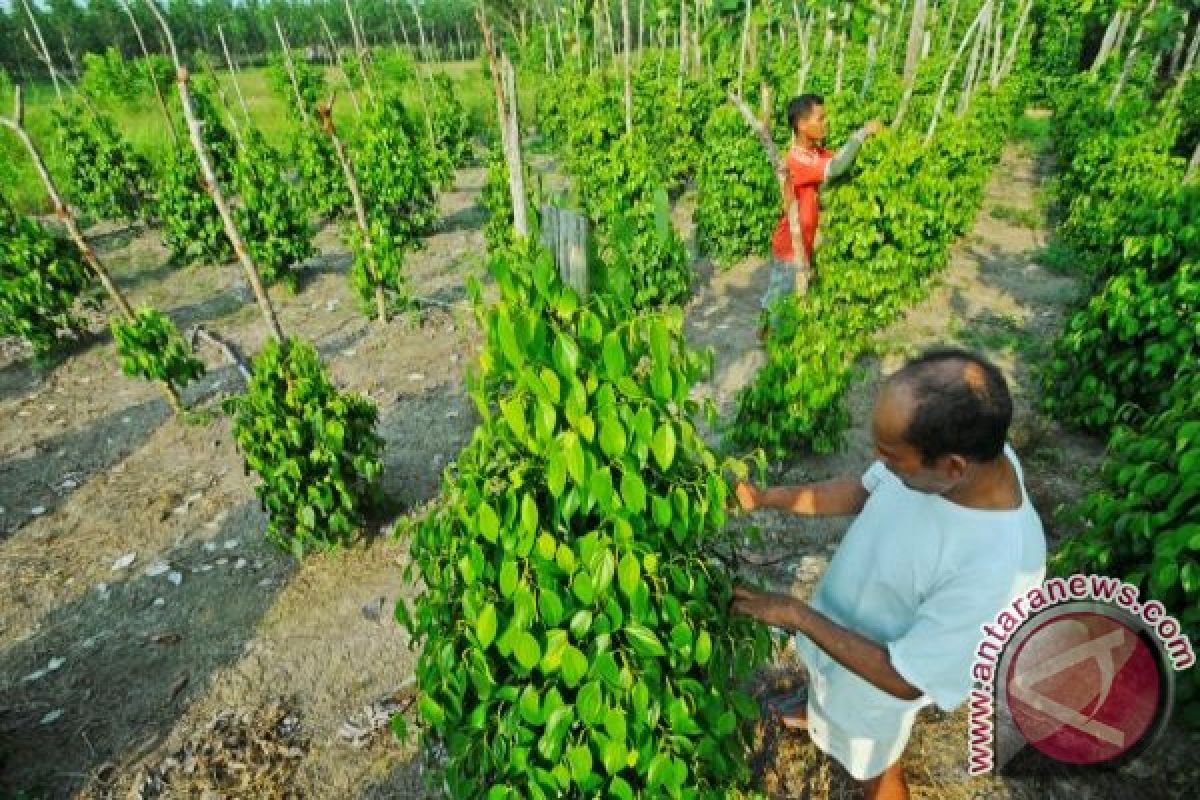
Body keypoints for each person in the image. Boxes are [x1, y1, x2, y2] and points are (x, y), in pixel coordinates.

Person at [730, 349, 1047, 800]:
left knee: (873, 768)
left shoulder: (997, 572)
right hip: (840, 643)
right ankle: (819, 710)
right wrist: (766, 498)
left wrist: (795, 615)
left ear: (952, 465)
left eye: (892, 458)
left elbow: (903, 679)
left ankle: (842, 729)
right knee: (830, 694)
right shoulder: (966, 458)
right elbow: (862, 490)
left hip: (874, 689)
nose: (881, 465)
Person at [760, 95, 883, 338]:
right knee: (781, 303)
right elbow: (835, 168)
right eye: (821, 118)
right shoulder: (795, 160)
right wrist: (862, 133)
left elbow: (839, 159)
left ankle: (768, 333)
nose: (826, 122)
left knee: (784, 297)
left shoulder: (815, 152)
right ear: (802, 125)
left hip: (804, 242)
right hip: (789, 247)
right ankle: (771, 344)